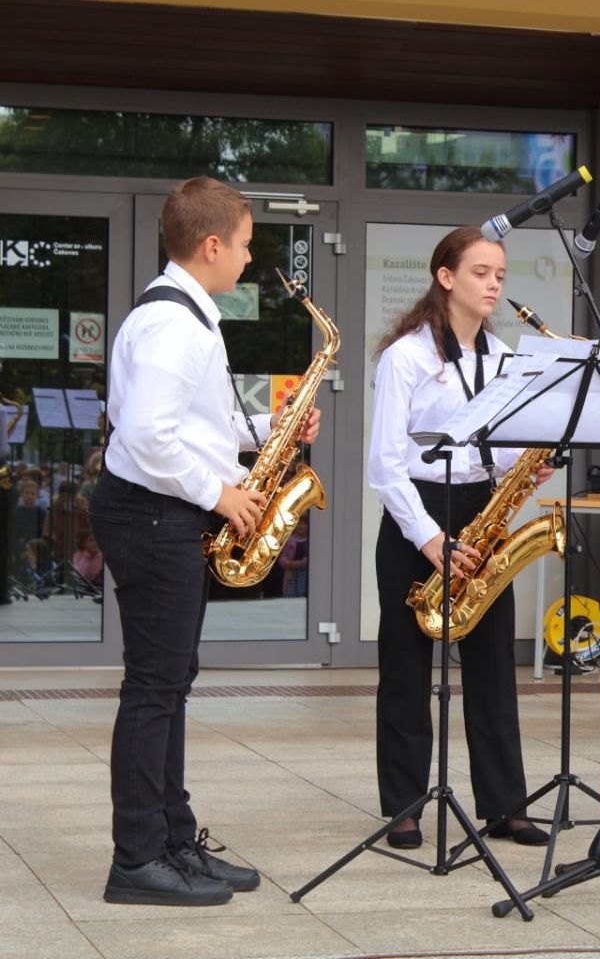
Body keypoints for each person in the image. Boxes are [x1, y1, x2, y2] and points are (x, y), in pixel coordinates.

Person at [89, 176, 321, 907]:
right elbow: (146, 434)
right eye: (247, 245)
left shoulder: (189, 317)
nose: (251, 260)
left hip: (161, 512)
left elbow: (184, 422)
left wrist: (264, 434)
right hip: (152, 515)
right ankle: (137, 858)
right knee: (155, 689)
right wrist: (221, 493)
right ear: (213, 244)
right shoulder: (171, 326)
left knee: (171, 682)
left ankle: (173, 839)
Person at [369, 225, 547, 850]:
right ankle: (406, 806)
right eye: (480, 272)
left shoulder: (502, 359)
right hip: (418, 516)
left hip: (481, 513)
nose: (494, 283)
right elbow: (385, 465)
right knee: (406, 667)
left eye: (499, 273)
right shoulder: (406, 357)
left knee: (494, 662)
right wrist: (428, 540)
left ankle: (505, 804)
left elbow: (495, 450)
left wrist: (525, 461)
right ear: (446, 278)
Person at [278, 513, 309, 597]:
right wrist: (287, 563)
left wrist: (301, 563)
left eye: (304, 524)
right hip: (290, 573)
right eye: (298, 523)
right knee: (290, 592)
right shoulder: (289, 540)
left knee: (303, 592)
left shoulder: (310, 541)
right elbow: (282, 558)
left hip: (304, 573)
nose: (300, 526)